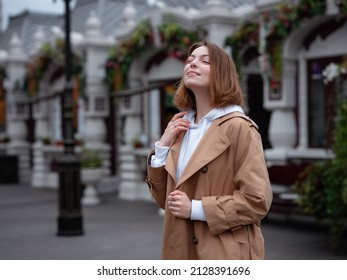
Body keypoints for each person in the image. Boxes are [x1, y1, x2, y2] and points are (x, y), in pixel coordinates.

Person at [146, 41, 273, 260]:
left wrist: (195, 209)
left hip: (223, 252)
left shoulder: (239, 127)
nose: (192, 64)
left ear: (222, 74)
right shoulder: (181, 128)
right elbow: (166, 202)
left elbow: (257, 200)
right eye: (189, 60)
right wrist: (163, 146)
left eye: (205, 61)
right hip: (180, 247)